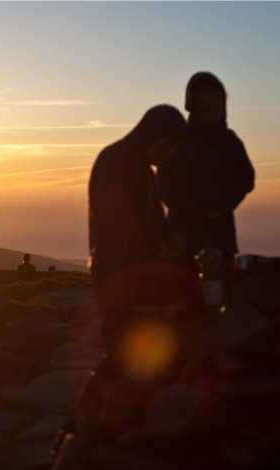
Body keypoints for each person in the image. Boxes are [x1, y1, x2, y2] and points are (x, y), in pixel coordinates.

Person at [88, 104, 196, 363]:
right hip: (117, 271)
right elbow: (118, 219)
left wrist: (171, 238)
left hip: (133, 268)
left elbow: (155, 217)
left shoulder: (141, 168)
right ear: (156, 137)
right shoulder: (114, 161)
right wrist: (156, 249)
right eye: (169, 147)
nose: (169, 155)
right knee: (122, 342)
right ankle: (106, 396)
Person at [158, 72, 255, 276]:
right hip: (183, 236)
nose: (212, 114)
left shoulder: (231, 142)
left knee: (222, 290)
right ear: (192, 108)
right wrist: (191, 207)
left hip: (221, 235)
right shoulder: (178, 143)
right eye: (205, 109)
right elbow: (163, 184)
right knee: (184, 293)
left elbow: (246, 178)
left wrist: (224, 203)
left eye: (217, 108)